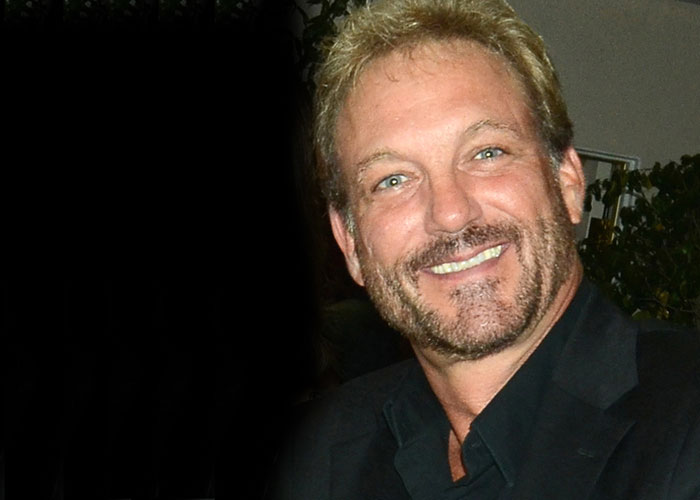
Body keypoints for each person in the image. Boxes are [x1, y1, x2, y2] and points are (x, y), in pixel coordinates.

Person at [268, 0, 700, 498]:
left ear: (566, 181)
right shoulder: (310, 457)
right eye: (393, 180)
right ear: (349, 242)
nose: (451, 213)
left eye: (487, 153)